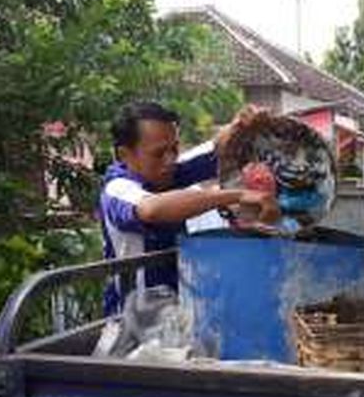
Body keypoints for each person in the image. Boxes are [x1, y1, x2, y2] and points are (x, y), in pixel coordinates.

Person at [100, 101, 278, 314]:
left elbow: (219, 149)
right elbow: (152, 209)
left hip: (176, 314)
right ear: (124, 155)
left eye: (174, 148)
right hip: (134, 324)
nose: (170, 160)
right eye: (158, 154)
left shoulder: (166, 171)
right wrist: (237, 195)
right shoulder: (117, 188)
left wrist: (242, 126)